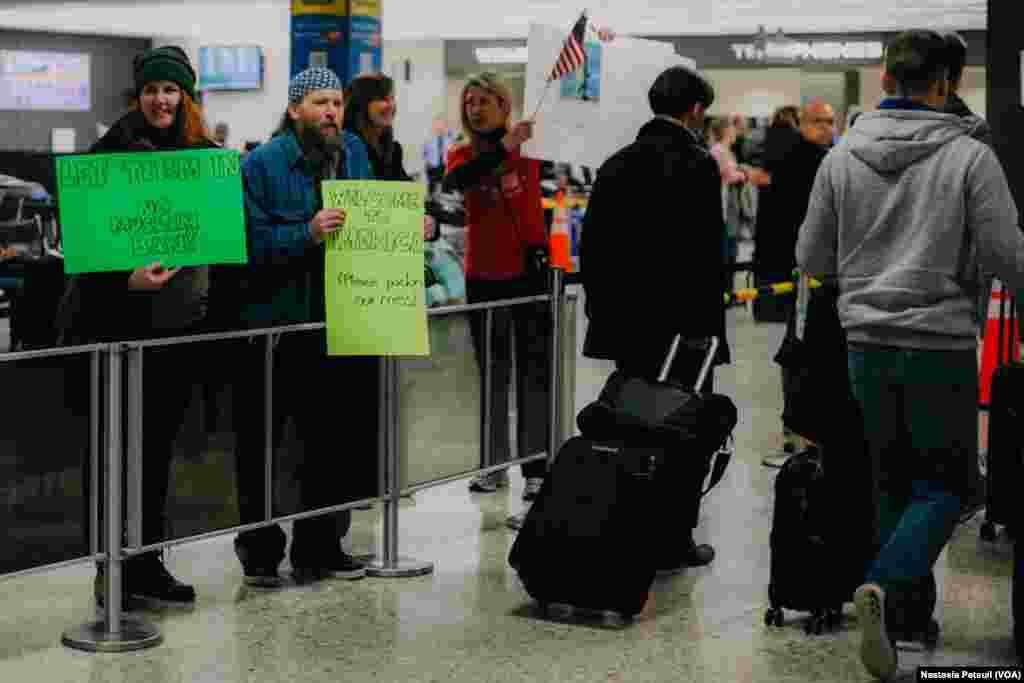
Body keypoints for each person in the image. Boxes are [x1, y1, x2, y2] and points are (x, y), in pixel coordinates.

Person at [796, 30, 1024, 680]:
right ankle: (886, 583)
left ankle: (904, 621)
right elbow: (1007, 253)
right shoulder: (970, 158)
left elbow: (811, 256)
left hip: (864, 345)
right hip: (940, 345)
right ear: (947, 84)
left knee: (893, 482)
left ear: (885, 78)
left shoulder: (841, 157)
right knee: (954, 485)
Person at [73, 46, 216, 607]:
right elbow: (85, 249)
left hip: (178, 328)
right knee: (114, 452)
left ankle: (147, 561)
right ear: (139, 96)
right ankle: (111, 570)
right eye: (153, 90)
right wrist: (125, 281)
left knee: (156, 452)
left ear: (185, 96)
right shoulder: (108, 153)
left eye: (171, 90)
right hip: (118, 328)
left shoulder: (201, 156)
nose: (162, 100)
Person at [580, 65, 728, 572]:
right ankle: (673, 537)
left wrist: (606, 314)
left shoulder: (616, 163)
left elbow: (592, 250)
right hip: (684, 330)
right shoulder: (698, 164)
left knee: (632, 424)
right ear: (696, 110)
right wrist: (708, 332)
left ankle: (628, 524)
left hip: (629, 329)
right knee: (685, 430)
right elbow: (706, 255)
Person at [231, 66, 375, 586]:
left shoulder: (354, 152)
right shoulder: (260, 164)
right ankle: (260, 552)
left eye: (337, 102)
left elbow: (373, 218)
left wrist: (412, 225)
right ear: (295, 110)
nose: (332, 112)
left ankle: (321, 546)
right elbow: (246, 244)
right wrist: (307, 233)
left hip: (341, 320)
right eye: (320, 103)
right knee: (265, 445)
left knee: (333, 441)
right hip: (277, 326)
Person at [442, 72, 551, 504]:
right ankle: (493, 465)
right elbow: (459, 181)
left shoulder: (533, 148)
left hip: (529, 274)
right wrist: (505, 147)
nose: (475, 109)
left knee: (534, 375)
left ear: (504, 105)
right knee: (493, 375)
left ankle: (536, 469)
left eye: (484, 101)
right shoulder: (461, 154)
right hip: (484, 277)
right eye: (469, 102)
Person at [751, 99, 835, 469]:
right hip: (801, 273)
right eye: (819, 121)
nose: (827, 128)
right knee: (799, 352)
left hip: (817, 274)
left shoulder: (826, 160)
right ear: (803, 123)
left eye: (831, 121)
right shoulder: (797, 161)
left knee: (803, 351)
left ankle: (805, 431)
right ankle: (798, 433)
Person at [709, 117, 749, 298]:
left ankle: (729, 292)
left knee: (732, 250)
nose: (735, 132)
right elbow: (729, 176)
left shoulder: (726, 151)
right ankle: (725, 293)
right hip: (724, 209)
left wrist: (740, 171)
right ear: (725, 130)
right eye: (732, 129)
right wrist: (743, 174)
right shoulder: (718, 150)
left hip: (731, 208)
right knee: (726, 252)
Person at [423, 118, 455, 197]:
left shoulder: (450, 139)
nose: (440, 127)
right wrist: (428, 164)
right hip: (433, 167)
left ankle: (446, 197)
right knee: (432, 187)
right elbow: (425, 153)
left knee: (447, 187)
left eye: (442, 125)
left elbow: (453, 152)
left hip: (446, 166)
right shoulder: (429, 140)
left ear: (445, 126)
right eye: (437, 125)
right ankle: (431, 197)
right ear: (434, 126)